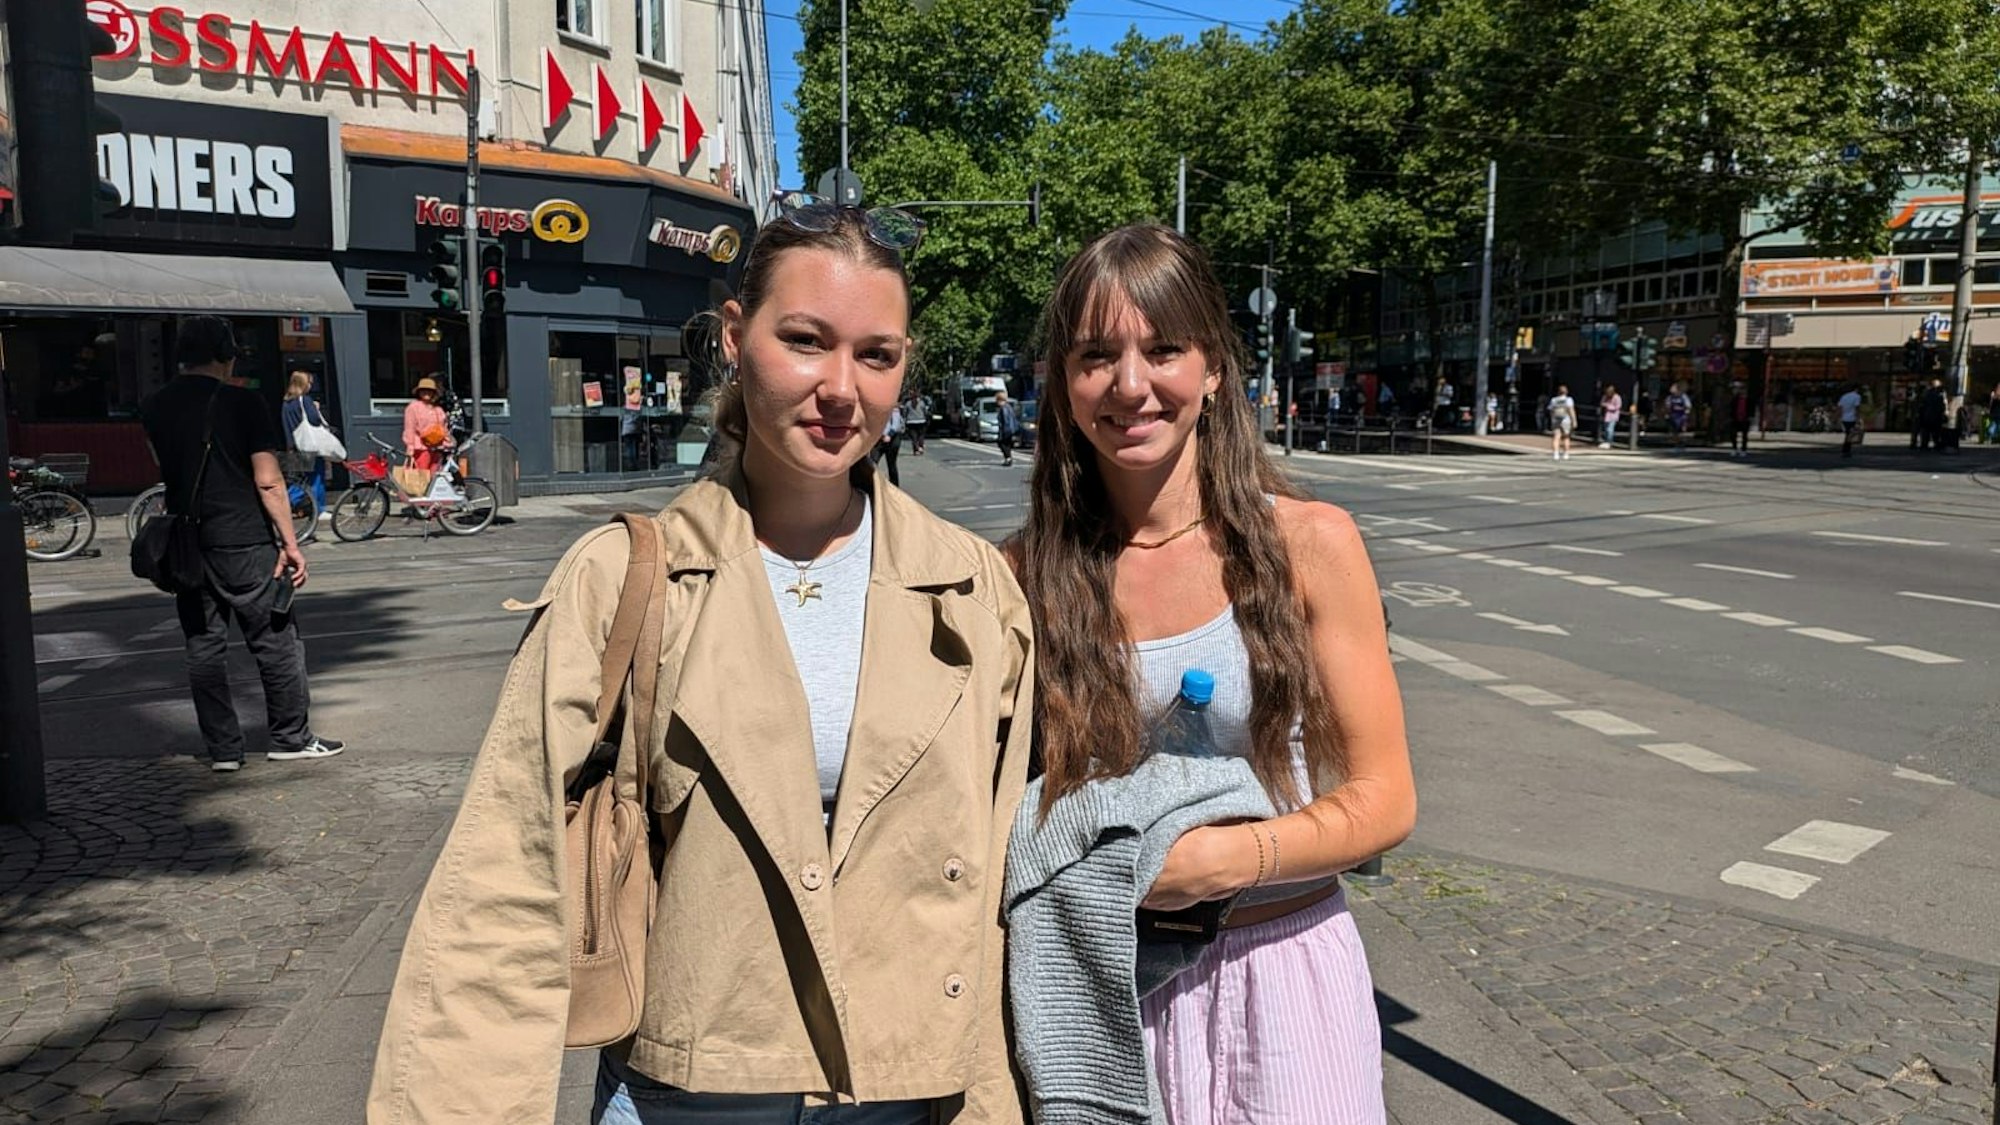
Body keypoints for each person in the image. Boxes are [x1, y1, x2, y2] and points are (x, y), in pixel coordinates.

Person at [369, 195, 1034, 1125]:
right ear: (735, 335)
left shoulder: (971, 588)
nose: (842, 386)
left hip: (906, 1088)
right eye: (805, 339)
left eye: (876, 354)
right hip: (692, 1092)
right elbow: (504, 880)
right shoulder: (627, 577)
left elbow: (1001, 883)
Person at [1014, 225, 1414, 1124]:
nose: (1130, 385)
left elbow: (1385, 798)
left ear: (1214, 368)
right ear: (1063, 383)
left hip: (1288, 972)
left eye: (1162, 349)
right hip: (1108, 991)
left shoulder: (1311, 543)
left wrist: (1225, 859)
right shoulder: (1023, 576)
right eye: (1095, 356)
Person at [139, 317, 343, 772]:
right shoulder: (243, 402)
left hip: (187, 544)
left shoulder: (154, 405)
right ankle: (290, 737)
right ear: (227, 354)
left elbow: (161, 464)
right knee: (276, 642)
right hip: (245, 540)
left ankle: (224, 751)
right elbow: (268, 481)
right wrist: (291, 544)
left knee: (204, 647)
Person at [281, 370, 334, 517]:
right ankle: (318, 509)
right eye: (309, 382)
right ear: (304, 384)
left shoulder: (286, 403)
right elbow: (314, 420)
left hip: (294, 446)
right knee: (316, 478)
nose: (311, 385)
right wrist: (315, 409)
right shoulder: (305, 400)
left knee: (298, 480)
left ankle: (287, 503)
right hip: (309, 445)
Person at [402, 376, 451, 471]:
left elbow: (443, 428)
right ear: (419, 392)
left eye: (429, 390)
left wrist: (447, 443)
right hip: (421, 448)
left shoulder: (438, 409)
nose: (426, 393)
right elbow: (409, 428)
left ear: (434, 393)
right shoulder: (413, 407)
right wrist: (410, 446)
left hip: (437, 448)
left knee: (434, 476)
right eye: (423, 390)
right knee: (421, 476)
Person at [874, 398, 905, 485]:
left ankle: (895, 485)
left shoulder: (894, 408)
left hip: (892, 438)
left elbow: (895, 424)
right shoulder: (874, 409)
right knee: (872, 462)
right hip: (878, 438)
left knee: (891, 463)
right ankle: (872, 484)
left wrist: (889, 435)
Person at [1548, 384, 1576, 460]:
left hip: (1556, 419)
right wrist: (1574, 421)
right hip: (1566, 420)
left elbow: (1551, 411)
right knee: (1566, 437)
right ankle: (1566, 454)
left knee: (1556, 437)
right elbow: (1571, 410)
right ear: (1566, 392)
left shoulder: (1553, 400)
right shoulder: (1568, 399)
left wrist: (1552, 419)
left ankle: (1556, 454)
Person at [995, 388, 1021, 466]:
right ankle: (1008, 459)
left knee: (1002, 443)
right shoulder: (1009, 407)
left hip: (1006, 430)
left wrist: (1004, 431)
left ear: (999, 400)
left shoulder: (1004, 408)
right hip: (1011, 429)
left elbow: (1006, 421)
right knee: (1007, 444)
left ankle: (1008, 458)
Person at [1837, 384, 1864, 458]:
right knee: (1849, 435)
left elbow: (1840, 407)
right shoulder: (1857, 396)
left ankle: (1846, 450)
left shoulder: (1844, 396)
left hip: (1844, 418)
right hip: (1852, 418)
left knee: (1848, 434)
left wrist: (1839, 417)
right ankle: (1846, 450)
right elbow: (1857, 407)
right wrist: (1859, 418)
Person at [1665, 383, 1692, 451]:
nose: (1671, 389)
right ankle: (1676, 444)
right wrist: (1667, 413)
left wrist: (1686, 412)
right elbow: (1667, 406)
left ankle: (1682, 443)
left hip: (1681, 416)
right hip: (1673, 416)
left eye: (1673, 388)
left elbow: (1688, 406)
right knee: (1674, 431)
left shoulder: (1683, 396)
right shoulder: (1670, 397)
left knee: (1682, 430)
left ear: (1677, 389)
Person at [1729, 382, 1753, 457]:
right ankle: (1734, 449)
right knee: (1733, 434)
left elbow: (1752, 409)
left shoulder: (1749, 399)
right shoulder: (1735, 399)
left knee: (1744, 436)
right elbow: (1731, 408)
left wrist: (1751, 417)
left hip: (1745, 418)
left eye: (1743, 390)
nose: (1742, 392)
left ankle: (1743, 449)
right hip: (1735, 418)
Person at [907, 389, 930, 454]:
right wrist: (926, 418)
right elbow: (925, 411)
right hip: (921, 421)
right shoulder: (922, 403)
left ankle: (916, 449)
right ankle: (920, 447)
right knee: (921, 435)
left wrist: (905, 419)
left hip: (911, 421)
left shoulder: (908, 403)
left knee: (914, 436)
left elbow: (905, 412)